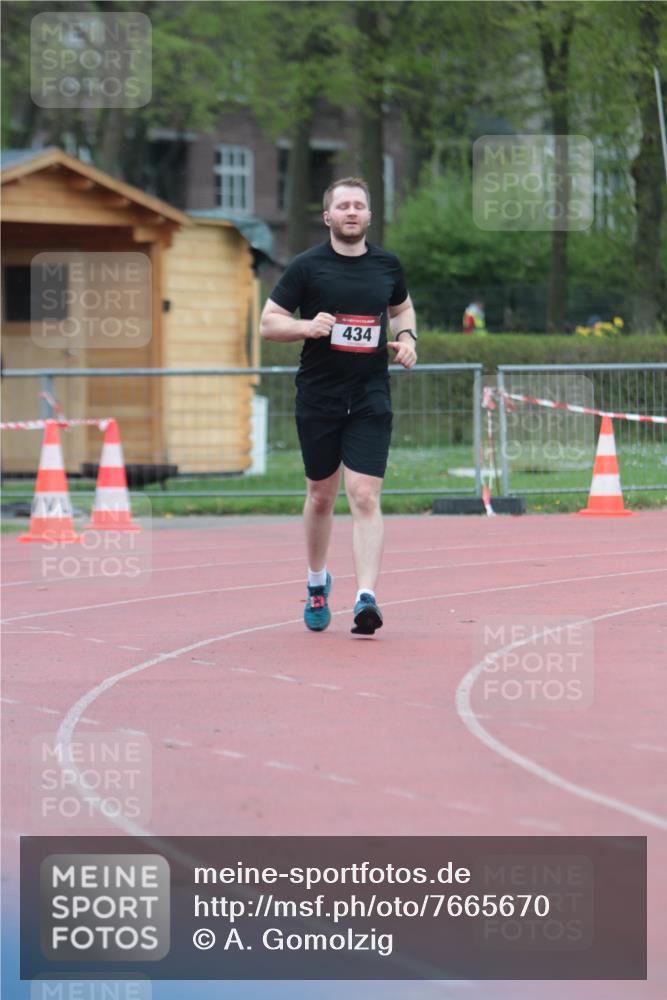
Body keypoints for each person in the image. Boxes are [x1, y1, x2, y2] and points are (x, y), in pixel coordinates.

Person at [260, 177, 417, 636]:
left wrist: (407, 339)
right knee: (321, 495)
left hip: (370, 394)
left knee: (365, 495)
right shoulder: (307, 267)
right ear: (328, 216)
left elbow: (402, 309)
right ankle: (316, 582)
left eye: (359, 206)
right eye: (343, 206)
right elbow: (269, 323)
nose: (352, 212)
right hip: (319, 396)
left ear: (369, 216)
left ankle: (366, 596)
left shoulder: (387, 265)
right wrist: (307, 326)